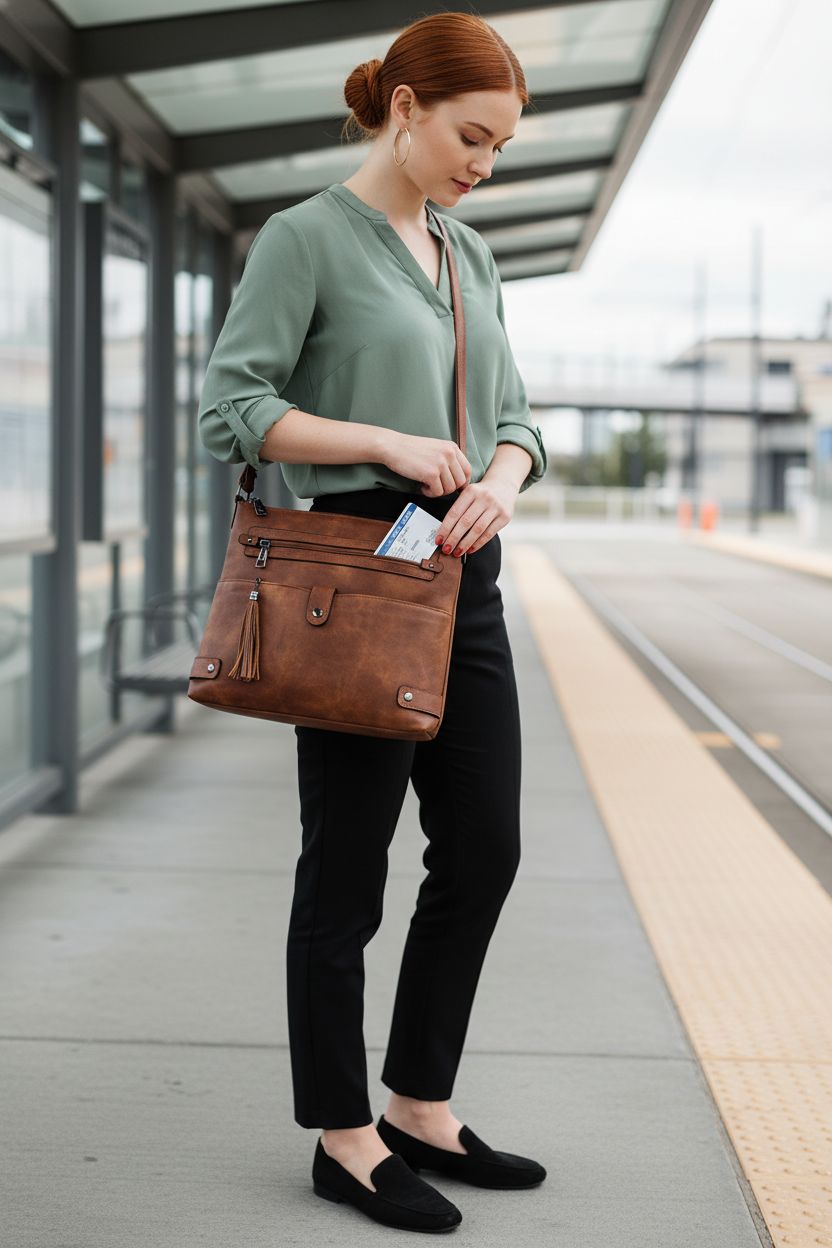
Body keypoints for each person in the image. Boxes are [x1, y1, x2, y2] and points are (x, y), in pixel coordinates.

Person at [197, 10, 548, 1233]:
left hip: (465, 571)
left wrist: (502, 482)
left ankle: (418, 1105)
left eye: (498, 148)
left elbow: (518, 418)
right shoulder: (307, 239)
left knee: (485, 848)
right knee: (345, 870)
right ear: (402, 107)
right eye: (471, 137)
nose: (483, 165)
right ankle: (342, 1137)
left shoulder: (469, 252)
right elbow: (233, 407)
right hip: (354, 567)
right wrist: (382, 442)